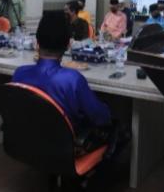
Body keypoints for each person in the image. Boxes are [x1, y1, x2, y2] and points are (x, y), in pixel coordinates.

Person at [12, 10, 112, 155]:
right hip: (67, 149)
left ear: (36, 42)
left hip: (29, 143)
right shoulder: (73, 80)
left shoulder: (19, 74)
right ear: (68, 45)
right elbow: (101, 117)